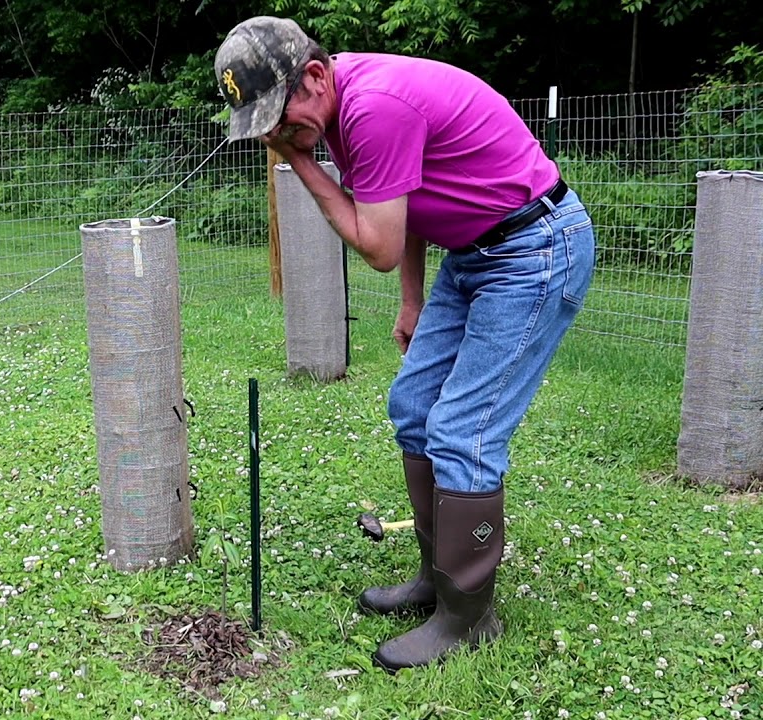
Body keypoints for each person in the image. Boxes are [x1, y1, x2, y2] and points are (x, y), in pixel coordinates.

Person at [213, 16, 596, 672]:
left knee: (463, 432)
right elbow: (410, 204)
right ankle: (435, 576)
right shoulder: (343, 106)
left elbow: (380, 246)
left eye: (279, 117)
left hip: (534, 249)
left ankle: (468, 617)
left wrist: (303, 163)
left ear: (313, 75)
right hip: (476, 252)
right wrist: (413, 301)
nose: (278, 135)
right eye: (266, 128)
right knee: (415, 405)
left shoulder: (372, 109)